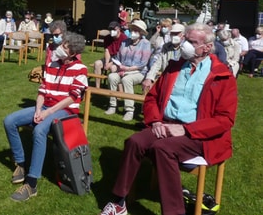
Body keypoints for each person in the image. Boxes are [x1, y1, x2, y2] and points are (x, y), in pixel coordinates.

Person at [98, 23, 237, 215]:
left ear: (206, 47)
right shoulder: (174, 67)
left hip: (199, 135)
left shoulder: (222, 75)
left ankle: (173, 212)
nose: (185, 44)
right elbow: (152, 98)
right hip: (164, 125)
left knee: (162, 149)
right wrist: (155, 121)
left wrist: (186, 130)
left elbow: (225, 119)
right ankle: (119, 201)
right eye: (185, 39)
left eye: (191, 41)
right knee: (134, 141)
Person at [3, 32, 87, 202]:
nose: (59, 48)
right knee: (9, 120)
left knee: (39, 130)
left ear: (72, 52)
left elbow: (72, 98)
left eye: (64, 46)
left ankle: (31, 184)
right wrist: (38, 110)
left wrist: (47, 113)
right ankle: (21, 163)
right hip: (46, 106)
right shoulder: (52, 64)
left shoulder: (81, 69)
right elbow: (42, 91)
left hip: (65, 111)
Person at [104, 20, 152, 121]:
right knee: (112, 77)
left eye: (136, 30)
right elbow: (118, 57)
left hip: (139, 71)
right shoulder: (125, 42)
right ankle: (112, 105)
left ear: (141, 33)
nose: (133, 32)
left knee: (127, 80)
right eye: (132, 30)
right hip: (123, 69)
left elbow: (143, 63)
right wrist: (118, 66)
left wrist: (127, 69)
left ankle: (129, 110)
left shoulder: (146, 43)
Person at [142, 23, 185, 93]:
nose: (173, 36)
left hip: (180, 81)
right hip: (167, 78)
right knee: (150, 88)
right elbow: (158, 63)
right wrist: (149, 78)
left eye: (176, 34)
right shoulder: (166, 47)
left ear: (183, 35)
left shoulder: (186, 49)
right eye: (172, 34)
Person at [92, 21, 127, 88]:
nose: (111, 31)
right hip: (111, 57)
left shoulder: (124, 38)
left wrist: (110, 63)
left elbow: (122, 55)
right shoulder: (107, 38)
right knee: (97, 64)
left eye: (113, 29)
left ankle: (113, 90)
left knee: (113, 68)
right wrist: (106, 63)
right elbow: (107, 51)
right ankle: (97, 88)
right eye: (110, 29)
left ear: (119, 29)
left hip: (120, 60)